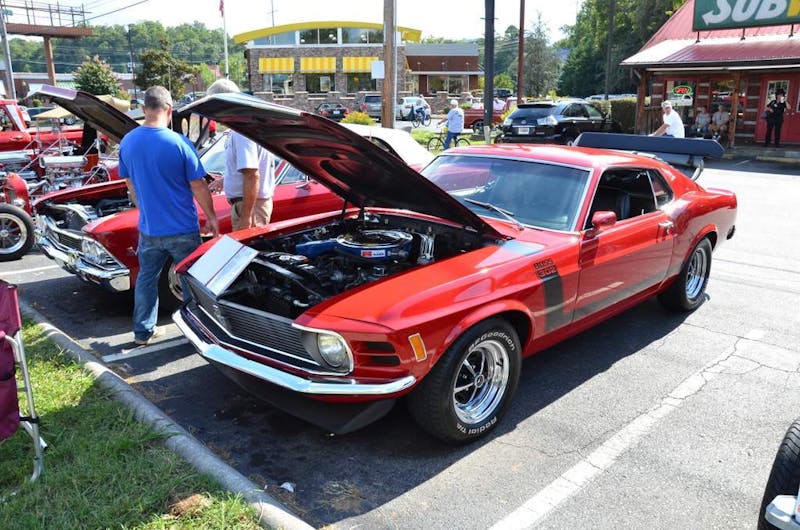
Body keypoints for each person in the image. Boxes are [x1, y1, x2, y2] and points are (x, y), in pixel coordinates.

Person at [118, 86, 219, 346]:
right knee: (190, 280)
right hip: (182, 228)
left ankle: (143, 332)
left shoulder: (127, 142)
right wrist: (212, 216)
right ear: (169, 110)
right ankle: (196, 331)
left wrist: (145, 208)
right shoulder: (179, 143)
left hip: (149, 229)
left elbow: (130, 185)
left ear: (143, 109)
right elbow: (198, 185)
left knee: (146, 278)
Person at [206, 78, 276, 231]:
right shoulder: (244, 125)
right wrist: (226, 179)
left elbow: (252, 175)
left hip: (249, 206)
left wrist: (246, 218)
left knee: (247, 251)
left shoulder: (241, 132)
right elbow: (250, 169)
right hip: (249, 204)